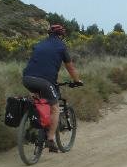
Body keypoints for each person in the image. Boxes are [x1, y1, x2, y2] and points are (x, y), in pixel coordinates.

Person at [22, 24, 83, 152]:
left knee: (39, 102)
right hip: (44, 82)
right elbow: (70, 68)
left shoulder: (40, 44)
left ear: (49, 34)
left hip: (27, 79)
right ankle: (50, 139)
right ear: (61, 35)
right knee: (55, 108)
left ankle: (32, 130)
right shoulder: (61, 46)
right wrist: (77, 81)